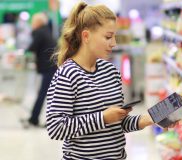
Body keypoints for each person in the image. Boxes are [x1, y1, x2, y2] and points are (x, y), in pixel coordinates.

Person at [46, 2, 161, 159]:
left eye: (115, 36)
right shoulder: (67, 75)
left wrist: (149, 119)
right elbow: (56, 128)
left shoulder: (110, 70)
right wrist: (103, 117)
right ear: (86, 36)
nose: (114, 43)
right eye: (108, 37)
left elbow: (117, 123)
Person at [22, 12, 57, 128]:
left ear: (37, 22)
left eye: (33, 21)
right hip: (52, 66)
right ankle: (36, 118)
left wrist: (22, 52)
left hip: (49, 68)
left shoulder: (40, 32)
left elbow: (32, 47)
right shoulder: (46, 31)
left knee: (44, 94)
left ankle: (34, 119)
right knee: (49, 94)